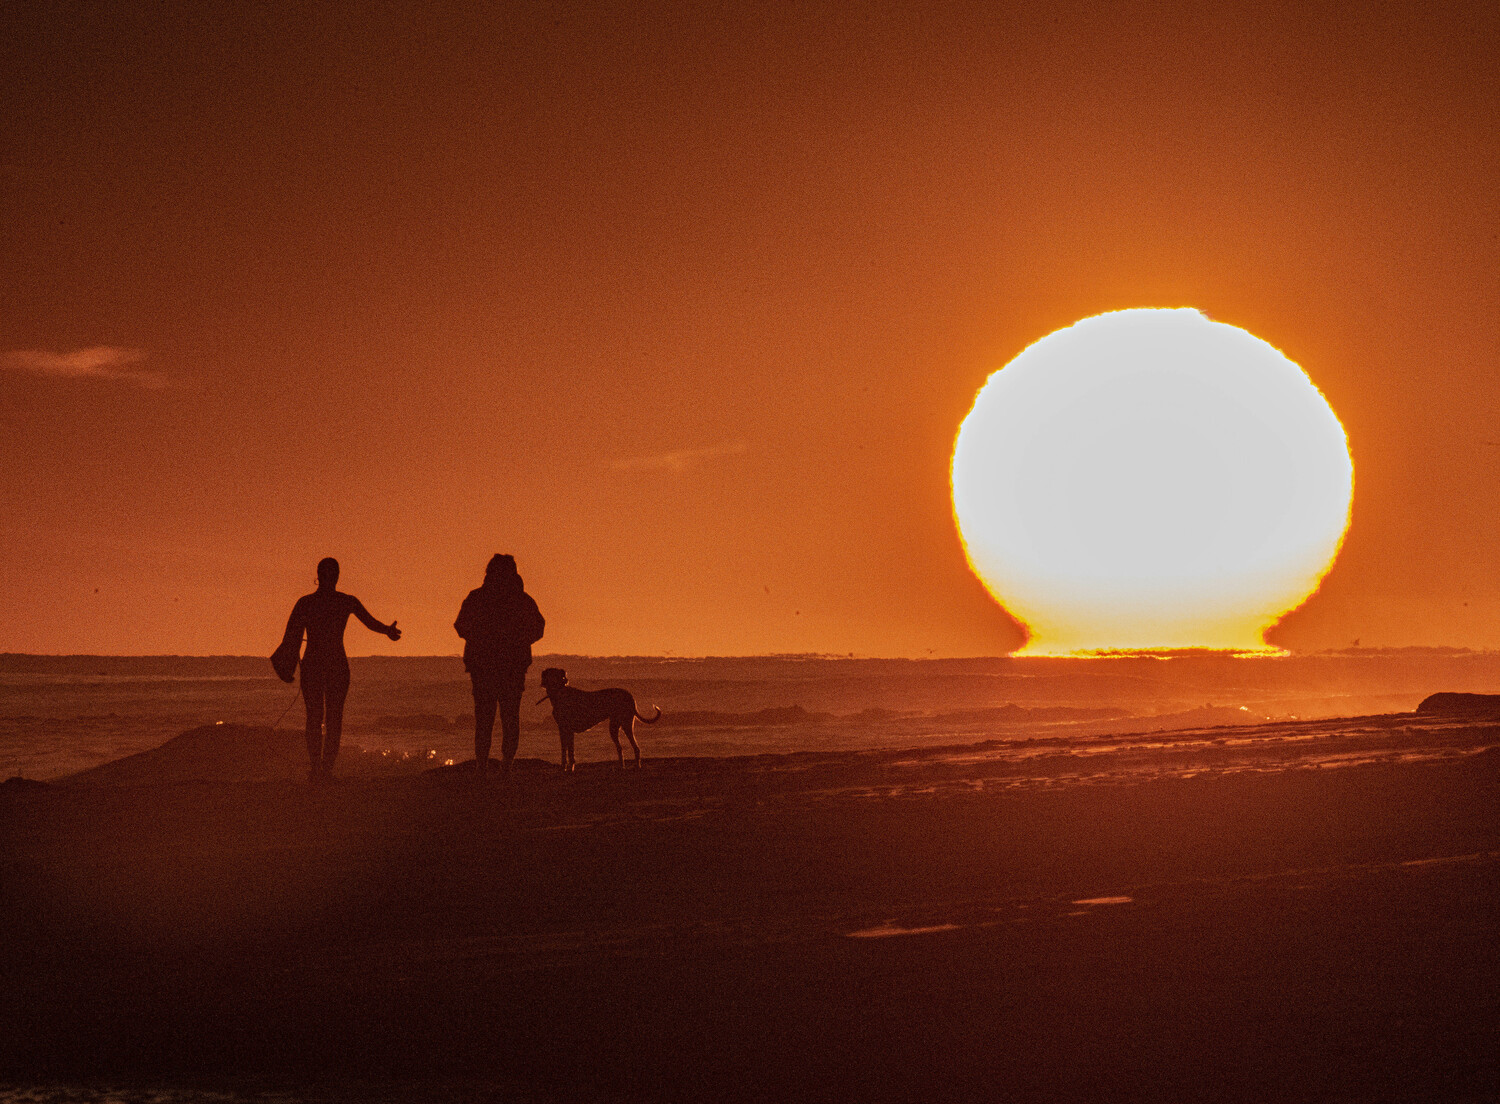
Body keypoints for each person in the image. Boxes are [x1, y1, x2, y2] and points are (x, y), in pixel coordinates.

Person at [274, 557, 400, 782]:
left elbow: (290, 637)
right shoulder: (345, 601)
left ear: (318, 575)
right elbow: (370, 622)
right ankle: (327, 770)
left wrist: (287, 666)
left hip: (313, 664)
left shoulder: (306, 603)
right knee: (334, 718)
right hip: (337, 664)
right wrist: (387, 631)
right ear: (337, 576)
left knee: (314, 717)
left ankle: (315, 770)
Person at [455, 554, 544, 779]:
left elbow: (460, 626)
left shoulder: (477, 597)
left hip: (484, 666)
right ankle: (505, 766)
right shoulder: (522, 600)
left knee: (485, 718)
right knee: (509, 717)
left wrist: (480, 638)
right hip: (511, 666)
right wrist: (519, 641)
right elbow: (539, 628)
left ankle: (483, 767)